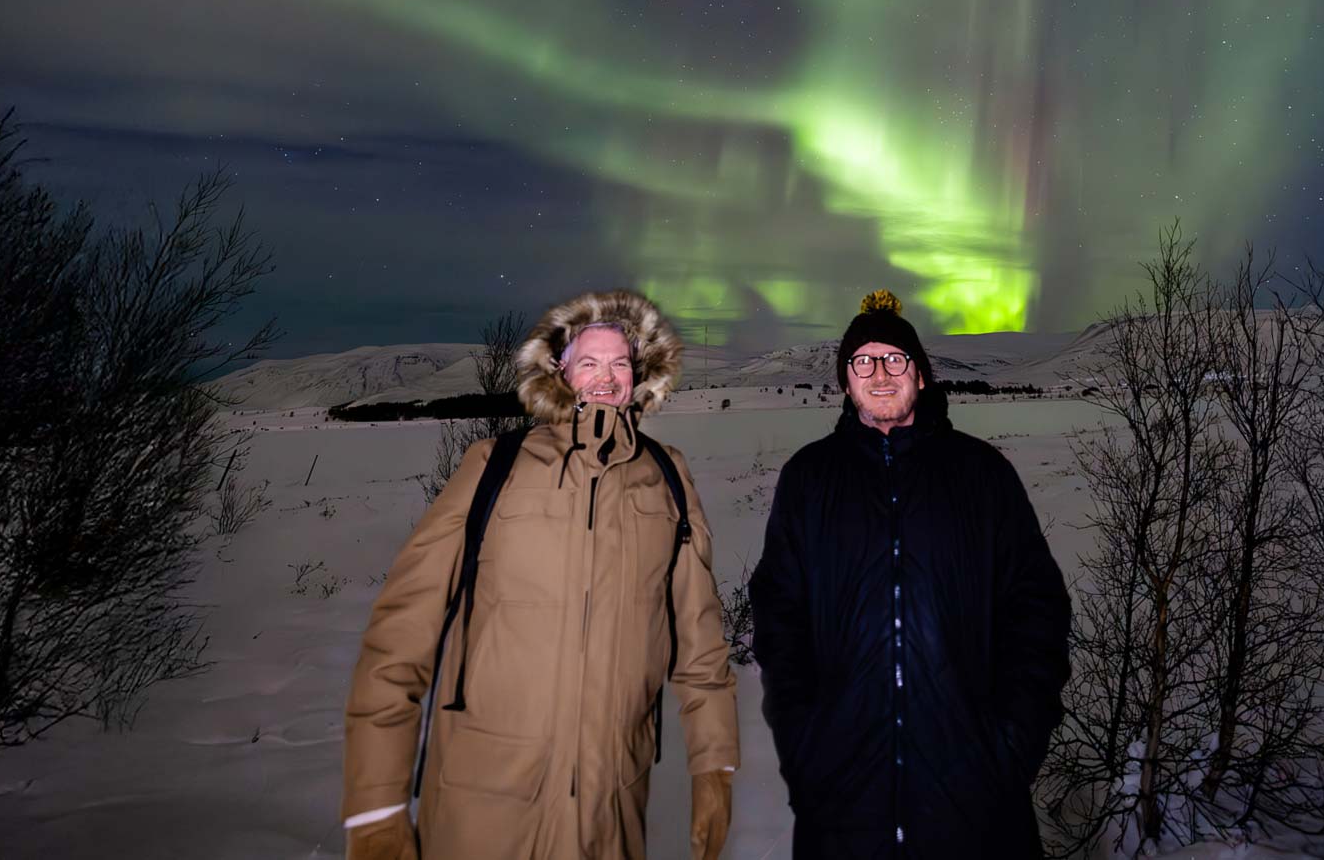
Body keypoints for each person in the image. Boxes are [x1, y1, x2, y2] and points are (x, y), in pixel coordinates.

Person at [341, 289, 738, 860]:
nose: (606, 377)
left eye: (621, 362)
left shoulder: (667, 478)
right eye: (589, 362)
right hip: (483, 805)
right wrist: (377, 805)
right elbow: (400, 634)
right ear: (560, 371)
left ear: (641, 374)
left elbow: (700, 645)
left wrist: (715, 767)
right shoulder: (493, 465)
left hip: (610, 809)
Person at [750, 291, 1072, 858]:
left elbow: (1037, 611)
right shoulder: (809, 480)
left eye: (895, 359)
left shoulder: (982, 475)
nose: (880, 374)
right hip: (844, 808)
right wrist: (805, 749)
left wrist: (1011, 748)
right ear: (846, 381)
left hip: (974, 808)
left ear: (920, 376)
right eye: (863, 361)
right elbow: (780, 620)